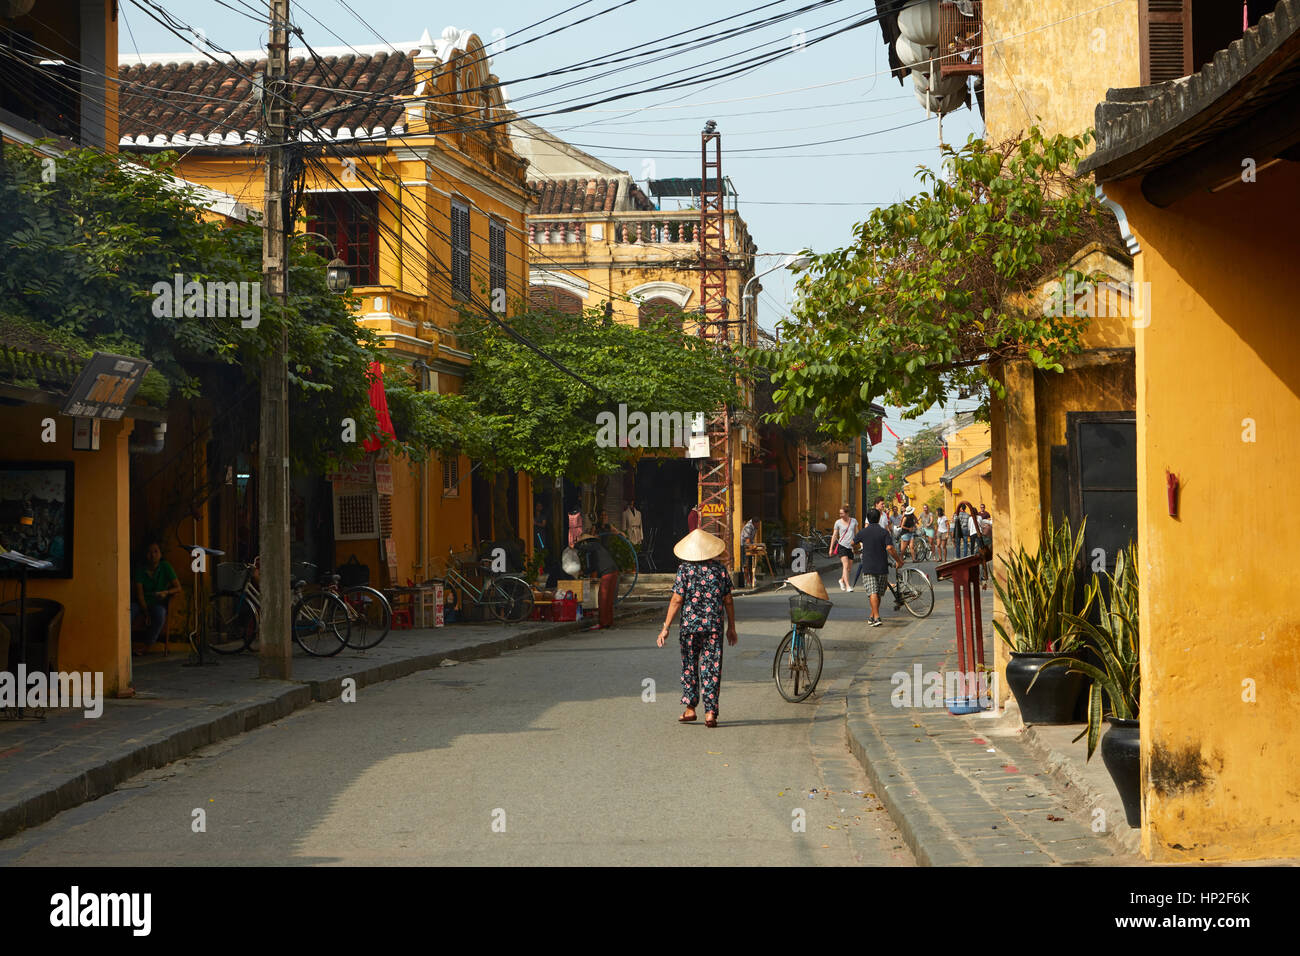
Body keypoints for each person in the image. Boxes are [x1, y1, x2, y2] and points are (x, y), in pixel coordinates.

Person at [656, 529, 737, 728]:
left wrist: (665, 627)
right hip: (714, 627)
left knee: (689, 666)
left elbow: (676, 600)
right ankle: (710, 713)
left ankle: (690, 709)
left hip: (689, 628)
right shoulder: (720, 570)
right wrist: (732, 627)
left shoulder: (685, 570)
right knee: (712, 668)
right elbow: (728, 600)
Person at [853, 508, 903, 627]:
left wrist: (856, 550)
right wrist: (898, 560)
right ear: (879, 518)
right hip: (882, 566)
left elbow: (852, 542)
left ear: (868, 519)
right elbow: (890, 548)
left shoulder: (863, 532)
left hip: (868, 567)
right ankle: (873, 616)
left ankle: (876, 617)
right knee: (878, 593)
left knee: (873, 592)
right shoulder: (884, 532)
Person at [132, 541, 181, 655]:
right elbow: (140, 594)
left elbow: (178, 587)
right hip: (141, 603)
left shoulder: (165, 567)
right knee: (128, 612)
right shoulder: (140, 569)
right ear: (145, 554)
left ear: (160, 554)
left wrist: (166, 592)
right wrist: (146, 613)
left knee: (160, 614)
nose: (152, 555)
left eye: (155, 551)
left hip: (158, 602)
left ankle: (147, 646)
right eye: (149, 552)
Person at [576, 533, 619, 630]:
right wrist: (583, 572)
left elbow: (584, 548)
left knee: (603, 598)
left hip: (607, 573)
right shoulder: (595, 551)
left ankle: (603, 623)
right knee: (608, 599)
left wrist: (575, 546)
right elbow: (593, 567)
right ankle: (609, 622)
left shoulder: (594, 545)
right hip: (613, 571)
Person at [830, 505, 858, 592]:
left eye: (842, 513)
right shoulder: (838, 522)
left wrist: (860, 543)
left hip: (850, 547)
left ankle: (841, 580)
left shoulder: (853, 521)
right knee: (845, 566)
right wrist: (831, 548)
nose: (840, 515)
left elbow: (857, 533)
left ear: (847, 513)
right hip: (842, 546)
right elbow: (834, 535)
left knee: (849, 568)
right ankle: (848, 586)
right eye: (840, 513)